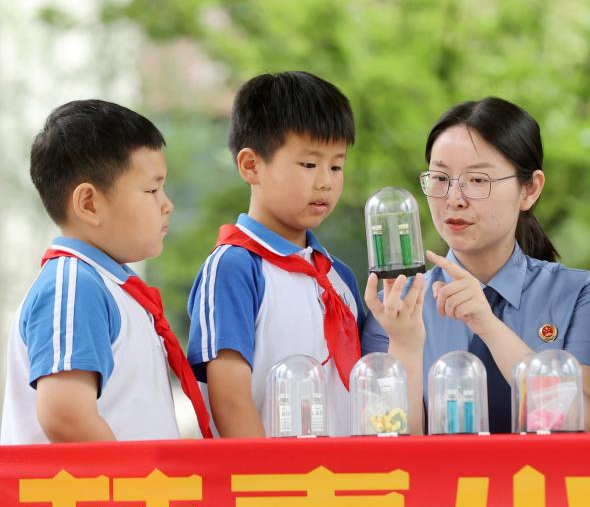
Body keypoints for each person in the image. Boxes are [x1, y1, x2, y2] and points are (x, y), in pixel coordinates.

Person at [361, 97, 590, 433]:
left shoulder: (578, 294)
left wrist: (488, 326)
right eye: (440, 178)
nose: (454, 199)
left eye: (478, 180)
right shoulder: (396, 307)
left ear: (530, 189)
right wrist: (405, 346)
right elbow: (391, 445)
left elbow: (589, 423)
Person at [1, 99, 207, 443]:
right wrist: (133, 476)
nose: (167, 204)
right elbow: (66, 416)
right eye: (152, 190)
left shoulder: (109, 287)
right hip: (106, 481)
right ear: (89, 203)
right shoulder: (74, 286)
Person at [187, 71, 363, 437]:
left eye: (336, 166)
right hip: (268, 472)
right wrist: (266, 471)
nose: (325, 182)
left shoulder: (338, 275)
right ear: (251, 165)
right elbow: (229, 400)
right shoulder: (234, 266)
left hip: (344, 471)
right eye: (309, 164)